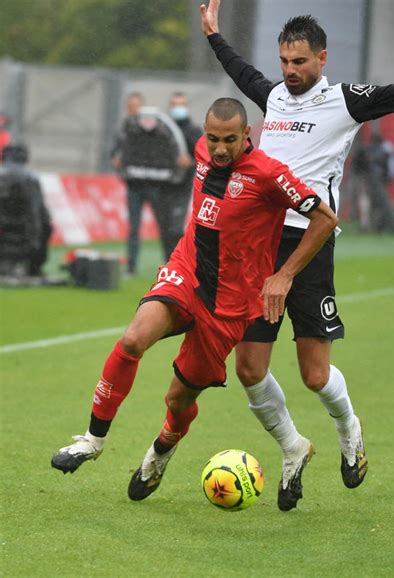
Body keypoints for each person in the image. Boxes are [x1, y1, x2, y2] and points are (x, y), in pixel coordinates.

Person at [200, 0, 394, 510]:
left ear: (322, 59)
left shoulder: (346, 100)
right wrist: (214, 34)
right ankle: (292, 449)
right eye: (284, 61)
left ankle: (349, 428)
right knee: (250, 370)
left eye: (299, 62)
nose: (289, 71)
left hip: (309, 244)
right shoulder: (275, 96)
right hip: (260, 245)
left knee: (315, 375)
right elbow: (243, 73)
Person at [51, 98, 338, 505]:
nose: (220, 149)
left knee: (178, 400)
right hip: (187, 272)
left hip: (230, 305)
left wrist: (284, 275)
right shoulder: (201, 151)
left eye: (230, 141)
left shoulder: (270, 175)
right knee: (134, 338)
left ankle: (162, 449)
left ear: (247, 136)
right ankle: (93, 441)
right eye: (213, 139)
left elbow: (326, 218)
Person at [111, 92, 192, 274]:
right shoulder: (125, 129)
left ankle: (170, 266)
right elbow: (115, 152)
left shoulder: (158, 127)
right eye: (130, 107)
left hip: (157, 187)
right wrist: (116, 160)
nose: (133, 110)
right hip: (134, 186)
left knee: (165, 227)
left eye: (136, 107)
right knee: (134, 228)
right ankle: (131, 267)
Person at [0, 144, 52, 277]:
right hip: (23, 239)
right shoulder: (30, 179)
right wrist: (34, 244)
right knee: (47, 226)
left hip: (5, 234)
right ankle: (34, 269)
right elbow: (40, 217)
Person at [168, 91, 204, 225]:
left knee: (176, 224)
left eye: (181, 105)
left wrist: (190, 161)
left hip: (185, 182)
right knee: (165, 224)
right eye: (174, 105)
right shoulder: (163, 128)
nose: (178, 108)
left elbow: (202, 156)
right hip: (163, 183)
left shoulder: (193, 130)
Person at [366, 132, 394, 234]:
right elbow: (389, 168)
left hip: (377, 180)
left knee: (383, 204)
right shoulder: (386, 150)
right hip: (382, 179)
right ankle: (380, 227)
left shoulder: (376, 151)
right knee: (379, 204)